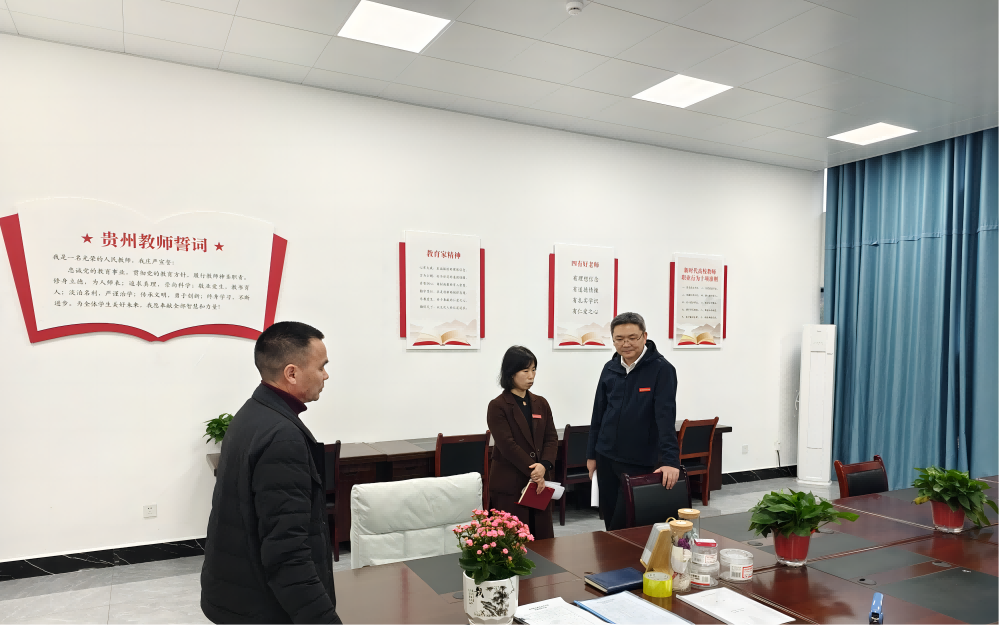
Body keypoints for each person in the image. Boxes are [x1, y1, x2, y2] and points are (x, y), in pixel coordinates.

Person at [201, 321, 342, 625]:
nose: (326, 375)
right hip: (262, 607)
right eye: (321, 366)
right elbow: (287, 553)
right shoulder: (282, 436)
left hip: (235, 595)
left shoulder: (251, 414)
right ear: (291, 373)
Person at [586, 312, 679, 531]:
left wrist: (671, 461)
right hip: (605, 457)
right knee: (610, 520)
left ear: (644, 336)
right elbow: (598, 414)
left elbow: (666, 418)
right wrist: (591, 455)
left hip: (639, 460)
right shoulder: (610, 368)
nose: (625, 344)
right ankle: (612, 553)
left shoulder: (661, 370)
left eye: (632, 338)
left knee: (631, 521)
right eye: (619, 339)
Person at [486, 346, 559, 540]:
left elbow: (551, 438)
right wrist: (534, 470)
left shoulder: (541, 403)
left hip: (539, 481)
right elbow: (507, 445)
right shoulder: (498, 406)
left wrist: (544, 466)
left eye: (534, 370)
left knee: (542, 538)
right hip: (511, 482)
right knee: (513, 541)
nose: (531, 376)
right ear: (511, 373)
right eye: (525, 371)